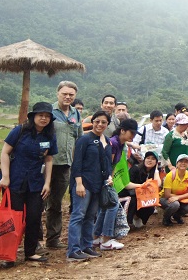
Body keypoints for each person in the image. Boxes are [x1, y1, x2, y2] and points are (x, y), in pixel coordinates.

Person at [0, 102, 57, 266]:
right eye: (40, 115)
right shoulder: (20, 131)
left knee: (33, 218)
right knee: (14, 220)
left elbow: (49, 159)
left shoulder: (50, 136)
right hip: (15, 181)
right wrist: (5, 176)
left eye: (47, 116)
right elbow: (5, 152)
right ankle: (9, 255)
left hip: (36, 183)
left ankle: (30, 252)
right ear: (33, 117)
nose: (44, 118)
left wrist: (47, 183)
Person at [66, 111, 112, 261]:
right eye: (97, 121)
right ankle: (73, 249)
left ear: (107, 124)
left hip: (98, 184)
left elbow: (108, 163)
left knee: (90, 216)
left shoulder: (107, 141)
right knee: (78, 215)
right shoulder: (84, 139)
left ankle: (87, 245)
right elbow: (77, 163)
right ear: (92, 122)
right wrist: (78, 183)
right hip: (84, 182)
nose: (100, 124)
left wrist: (109, 177)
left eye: (103, 122)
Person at [46, 81, 83, 250]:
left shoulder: (76, 114)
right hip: (46, 164)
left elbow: (79, 139)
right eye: (65, 94)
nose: (68, 97)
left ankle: (53, 239)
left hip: (66, 164)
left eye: (71, 95)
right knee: (38, 202)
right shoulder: (48, 112)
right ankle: (34, 240)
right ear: (57, 93)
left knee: (56, 202)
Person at [93, 119, 138, 251]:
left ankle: (96, 237)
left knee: (104, 207)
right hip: (103, 177)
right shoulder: (113, 143)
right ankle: (106, 239)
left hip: (107, 178)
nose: (132, 136)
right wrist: (107, 179)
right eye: (131, 133)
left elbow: (113, 165)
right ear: (122, 130)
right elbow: (107, 163)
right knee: (112, 205)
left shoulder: (121, 144)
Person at [127, 151, 161, 228]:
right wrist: (141, 186)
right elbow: (127, 184)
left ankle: (139, 218)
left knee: (151, 207)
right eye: (148, 158)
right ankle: (129, 222)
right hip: (130, 193)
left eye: (153, 159)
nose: (150, 160)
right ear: (144, 159)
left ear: (156, 162)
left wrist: (156, 170)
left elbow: (158, 184)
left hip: (144, 196)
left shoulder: (153, 173)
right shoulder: (135, 169)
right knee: (134, 200)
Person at [160, 154, 188, 226]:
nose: (183, 163)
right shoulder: (170, 175)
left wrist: (178, 197)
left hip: (180, 198)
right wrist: (180, 197)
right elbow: (167, 194)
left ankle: (177, 216)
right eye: (181, 161)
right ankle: (166, 218)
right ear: (176, 164)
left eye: (186, 162)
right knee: (175, 204)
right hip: (165, 198)